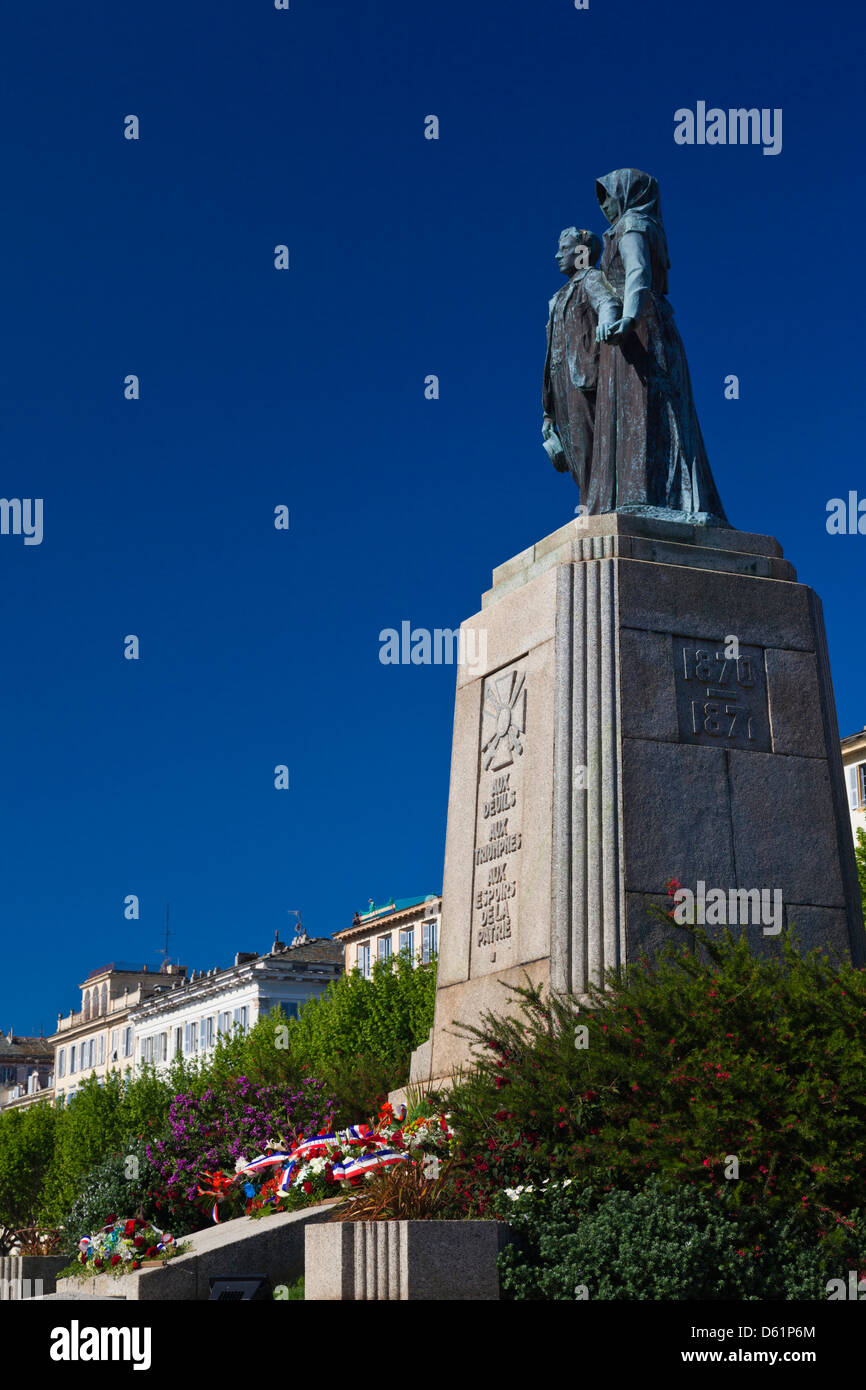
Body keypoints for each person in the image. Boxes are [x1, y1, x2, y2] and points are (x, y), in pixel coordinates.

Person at [588, 168, 729, 523]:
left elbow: (638, 272)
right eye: (602, 200)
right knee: (642, 412)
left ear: (628, 193)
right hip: (639, 326)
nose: (606, 206)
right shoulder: (636, 226)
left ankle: (652, 496)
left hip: (640, 327)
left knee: (647, 411)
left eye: (609, 196)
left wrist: (629, 319)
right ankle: (649, 495)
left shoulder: (633, 223)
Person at [542, 227, 620, 499]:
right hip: (561, 381)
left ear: (582, 252)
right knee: (575, 450)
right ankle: (590, 501)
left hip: (584, 377)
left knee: (588, 445)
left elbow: (608, 302)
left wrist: (608, 321)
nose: (557, 256)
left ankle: (597, 504)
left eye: (564, 249)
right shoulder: (557, 297)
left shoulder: (592, 279)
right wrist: (547, 412)